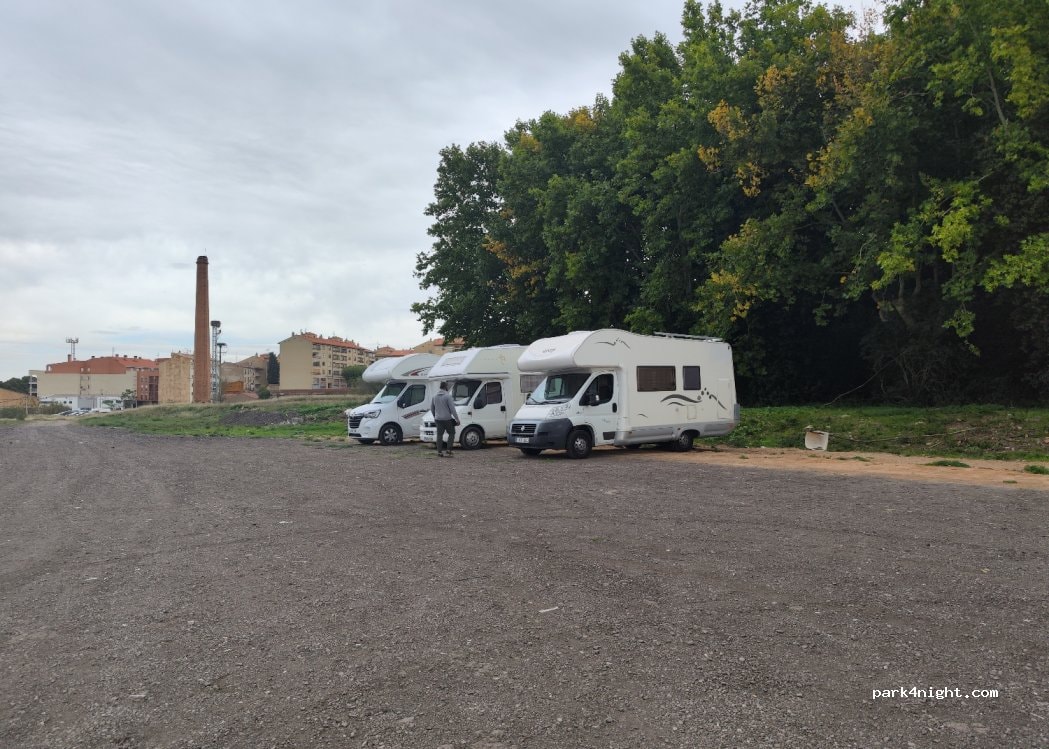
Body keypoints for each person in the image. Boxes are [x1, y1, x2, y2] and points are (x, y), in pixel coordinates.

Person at [430, 381, 460, 457]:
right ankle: (448, 450)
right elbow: (452, 409)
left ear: (440, 387)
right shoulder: (447, 396)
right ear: (446, 387)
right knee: (452, 433)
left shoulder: (434, 396)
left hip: (438, 419)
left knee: (439, 435)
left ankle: (439, 452)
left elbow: (432, 408)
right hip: (447, 419)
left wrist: (435, 416)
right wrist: (457, 419)